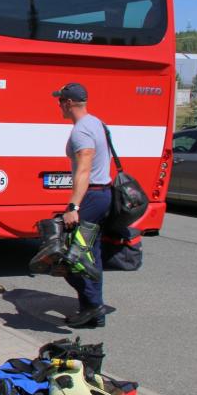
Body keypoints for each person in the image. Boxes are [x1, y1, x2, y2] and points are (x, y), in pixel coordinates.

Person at [53, 82, 112, 329]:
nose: (58, 106)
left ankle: (92, 305)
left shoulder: (81, 132)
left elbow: (84, 169)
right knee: (91, 254)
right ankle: (93, 310)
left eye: (60, 102)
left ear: (68, 103)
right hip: (102, 194)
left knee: (71, 256)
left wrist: (74, 207)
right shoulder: (96, 122)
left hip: (91, 197)